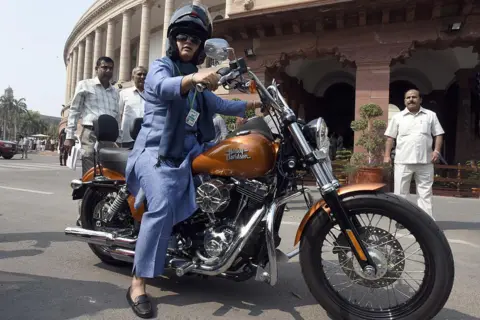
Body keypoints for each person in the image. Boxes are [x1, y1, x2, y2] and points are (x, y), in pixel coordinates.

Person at [123, 4, 260, 318]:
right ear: (174, 39)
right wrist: (194, 79)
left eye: (195, 39)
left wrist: (259, 101)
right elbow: (160, 87)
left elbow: (225, 104)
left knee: (228, 178)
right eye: (183, 36)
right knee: (161, 204)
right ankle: (138, 282)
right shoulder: (163, 67)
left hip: (189, 153)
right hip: (157, 153)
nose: (188, 42)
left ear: (200, 46)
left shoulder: (199, 83)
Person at [384, 89, 444, 219]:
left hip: (425, 162)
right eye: (408, 97)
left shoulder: (430, 115)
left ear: (420, 99)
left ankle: (426, 221)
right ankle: (401, 219)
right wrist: (387, 156)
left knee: (425, 193)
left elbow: (438, 134)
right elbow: (390, 138)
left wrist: (437, 151)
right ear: (405, 101)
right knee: (400, 194)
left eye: (414, 97)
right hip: (402, 161)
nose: (411, 99)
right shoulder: (397, 117)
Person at [64, 56, 120, 175]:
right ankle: (87, 193)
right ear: (96, 68)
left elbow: (117, 116)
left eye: (111, 68)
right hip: (91, 133)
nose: (108, 71)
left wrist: (118, 138)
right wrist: (69, 136)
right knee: (90, 168)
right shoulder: (85, 85)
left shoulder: (115, 91)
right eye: (104, 67)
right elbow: (74, 111)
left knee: (107, 171)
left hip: (109, 138)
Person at [119, 66, 148, 148]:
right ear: (133, 77)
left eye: (145, 75)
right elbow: (118, 115)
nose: (142, 77)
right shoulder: (124, 93)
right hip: (128, 139)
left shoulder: (152, 95)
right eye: (139, 74)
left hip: (146, 138)